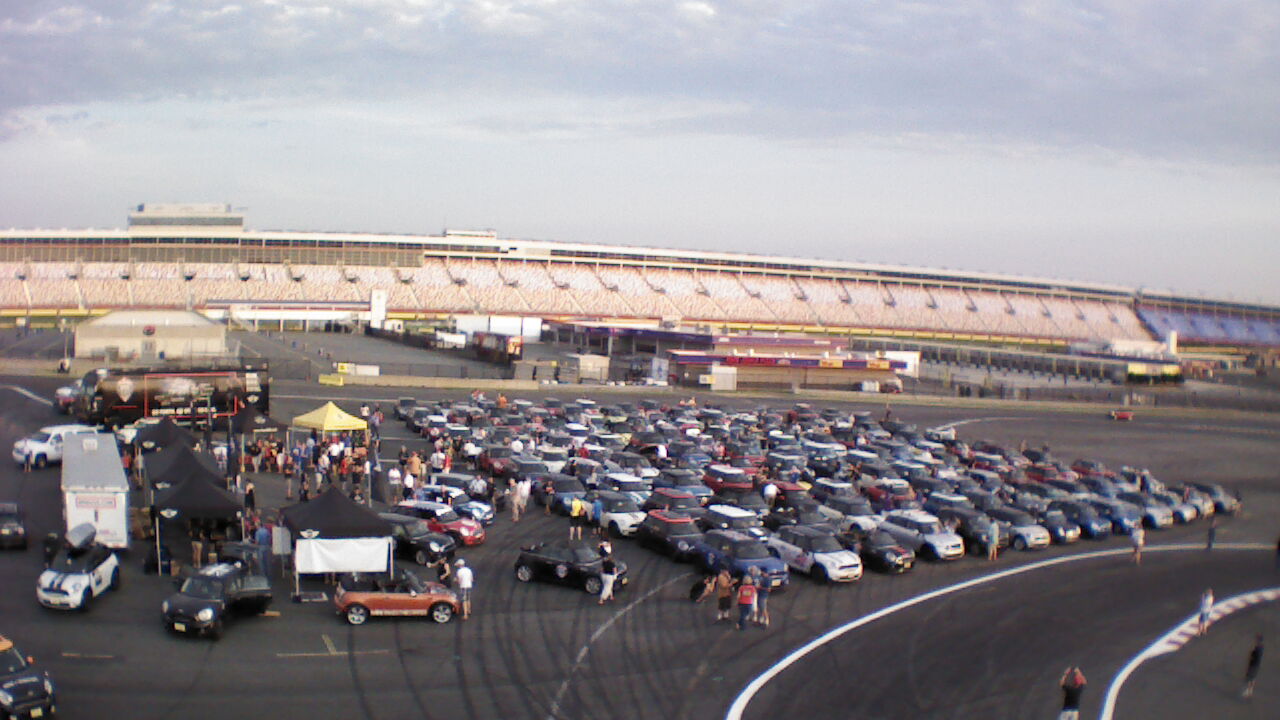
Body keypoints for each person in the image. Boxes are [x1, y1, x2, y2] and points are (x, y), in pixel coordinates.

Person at [1242, 634, 1263, 699]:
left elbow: (1254, 657)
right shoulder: (1260, 648)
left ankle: (1248, 692)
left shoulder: (1258, 648)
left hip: (1253, 664)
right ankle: (1249, 691)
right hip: (1255, 665)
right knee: (1252, 678)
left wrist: (1252, 655)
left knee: (1250, 677)